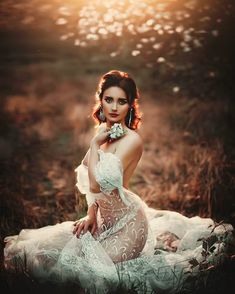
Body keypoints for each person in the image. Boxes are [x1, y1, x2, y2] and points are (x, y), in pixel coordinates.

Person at [3, 70, 235, 294]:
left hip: (129, 226)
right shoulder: (104, 131)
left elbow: (97, 185)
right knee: (46, 256)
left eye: (121, 101)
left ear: (131, 104)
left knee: (92, 274)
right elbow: (88, 178)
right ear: (101, 101)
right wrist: (91, 214)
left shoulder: (132, 141)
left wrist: (94, 145)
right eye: (108, 99)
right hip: (103, 219)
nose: (114, 107)